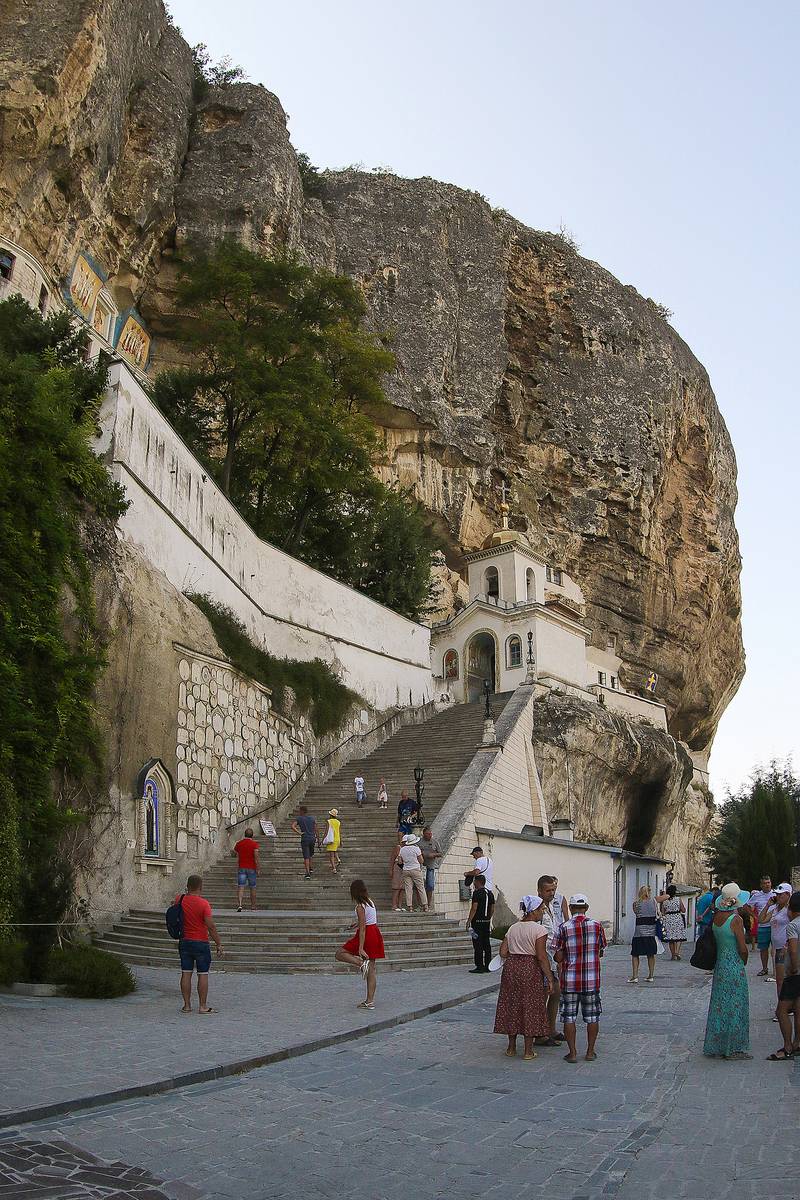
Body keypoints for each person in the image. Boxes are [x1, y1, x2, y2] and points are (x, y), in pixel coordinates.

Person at [493, 896, 555, 1060]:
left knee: (512, 1004)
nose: (543, 912)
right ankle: (528, 1051)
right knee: (531, 1005)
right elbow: (541, 956)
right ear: (534, 910)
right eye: (541, 909)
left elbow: (503, 952)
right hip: (529, 968)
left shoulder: (513, 928)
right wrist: (549, 978)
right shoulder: (539, 930)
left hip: (512, 967)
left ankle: (511, 1047)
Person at [552, 893, 607, 1063]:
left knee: (569, 1017)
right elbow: (600, 950)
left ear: (570, 908)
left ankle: (573, 1053)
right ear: (587, 908)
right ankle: (590, 1052)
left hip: (570, 980)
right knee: (592, 1017)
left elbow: (558, 957)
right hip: (591, 980)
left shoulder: (563, 927)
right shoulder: (597, 926)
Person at [703, 881, 751, 1060]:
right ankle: (733, 1047)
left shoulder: (716, 919)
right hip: (733, 964)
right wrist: (743, 961)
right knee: (736, 1005)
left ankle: (719, 1044)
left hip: (721, 964)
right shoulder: (735, 920)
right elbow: (742, 948)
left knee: (721, 1004)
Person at [176, 874, 224, 1014]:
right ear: (201, 887)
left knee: (186, 973)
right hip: (201, 942)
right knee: (202, 974)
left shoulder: (179, 899)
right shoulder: (204, 904)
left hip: (184, 941)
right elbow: (211, 926)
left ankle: (186, 1005)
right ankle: (203, 1006)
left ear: (188, 886)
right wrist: (219, 943)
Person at [335, 879, 385, 1010]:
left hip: (367, 934)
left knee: (340, 953)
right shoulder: (370, 901)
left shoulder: (359, 907)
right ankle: (370, 1001)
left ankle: (361, 964)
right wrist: (356, 924)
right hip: (374, 932)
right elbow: (368, 919)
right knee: (372, 970)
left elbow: (363, 929)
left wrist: (361, 948)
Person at [530, 874, 568, 1043]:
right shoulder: (536, 908)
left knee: (556, 992)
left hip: (553, 956)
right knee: (544, 994)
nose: (551, 893)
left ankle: (550, 1029)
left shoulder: (552, 906)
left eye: (553, 889)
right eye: (548, 890)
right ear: (539, 891)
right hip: (542, 957)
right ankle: (539, 1033)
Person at [769, 891, 800, 1061]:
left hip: (795, 974)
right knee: (799, 1011)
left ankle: (787, 1046)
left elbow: (793, 949)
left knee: (782, 1010)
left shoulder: (793, 925)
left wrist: (794, 967)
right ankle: (797, 1043)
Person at [762, 883, 793, 1010]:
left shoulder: (790, 910)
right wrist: (768, 905)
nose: (778, 896)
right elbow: (761, 920)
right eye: (777, 894)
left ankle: (783, 1009)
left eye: (781, 894)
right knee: (781, 980)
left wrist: (787, 944)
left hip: (785, 949)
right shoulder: (775, 909)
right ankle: (785, 1007)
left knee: (782, 980)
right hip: (777, 948)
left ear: (788, 895)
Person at [465, 873, 494, 972]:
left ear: (478, 882)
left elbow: (474, 908)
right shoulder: (490, 893)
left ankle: (479, 966)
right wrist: (488, 918)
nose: (473, 883)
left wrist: (469, 921)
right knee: (487, 944)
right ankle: (488, 966)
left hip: (477, 923)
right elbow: (492, 908)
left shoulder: (477, 893)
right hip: (486, 922)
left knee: (477, 945)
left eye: (474, 881)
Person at [629, 885, 658, 983]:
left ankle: (635, 976)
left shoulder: (636, 904)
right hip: (651, 932)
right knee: (650, 955)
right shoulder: (654, 902)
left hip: (639, 933)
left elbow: (636, 913)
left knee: (635, 954)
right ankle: (651, 975)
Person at [748, 875, 775, 976]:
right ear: (761, 885)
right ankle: (765, 968)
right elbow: (746, 906)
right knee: (763, 949)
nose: (767, 885)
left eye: (768, 882)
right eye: (764, 883)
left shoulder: (776, 894)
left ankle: (776, 970)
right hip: (763, 926)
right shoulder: (757, 896)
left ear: (771, 883)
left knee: (776, 949)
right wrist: (754, 916)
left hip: (774, 925)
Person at [397, 833, 428, 913]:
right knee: (421, 888)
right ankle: (425, 906)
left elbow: (400, 862)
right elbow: (421, 861)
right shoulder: (416, 849)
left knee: (408, 889)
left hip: (406, 870)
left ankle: (410, 907)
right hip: (415, 869)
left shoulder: (402, 849)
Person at [231, 827, 260, 912]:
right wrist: (258, 868)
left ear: (245, 834)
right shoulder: (254, 844)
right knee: (253, 887)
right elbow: (256, 857)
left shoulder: (239, 843)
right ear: (252, 835)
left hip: (241, 867)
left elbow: (234, 853)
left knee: (241, 886)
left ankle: (240, 904)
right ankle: (253, 906)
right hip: (252, 868)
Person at [658, 884, 687, 961]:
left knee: (671, 939)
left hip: (668, 919)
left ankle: (673, 955)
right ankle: (677, 952)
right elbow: (683, 910)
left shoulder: (664, 901)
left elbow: (663, 912)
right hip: (677, 918)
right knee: (679, 936)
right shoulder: (678, 899)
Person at [290, 806, 318, 879]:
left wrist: (299, 833)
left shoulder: (299, 818)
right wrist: (318, 839)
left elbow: (292, 826)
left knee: (306, 856)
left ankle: (307, 873)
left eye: (299, 811)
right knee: (311, 854)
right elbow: (316, 829)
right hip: (312, 838)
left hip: (305, 838)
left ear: (302, 811)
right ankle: (311, 868)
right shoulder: (312, 818)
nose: (299, 812)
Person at [419, 826, 443, 909]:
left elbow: (440, 853)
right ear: (423, 834)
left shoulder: (435, 842)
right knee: (420, 886)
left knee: (430, 885)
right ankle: (421, 903)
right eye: (427, 834)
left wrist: (433, 854)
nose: (429, 835)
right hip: (421, 866)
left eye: (430, 834)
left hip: (430, 866)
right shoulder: (419, 842)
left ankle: (428, 904)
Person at [388, 832, 406, 911]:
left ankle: (400, 905)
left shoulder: (406, 848)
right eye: (399, 837)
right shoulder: (397, 847)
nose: (400, 838)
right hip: (397, 868)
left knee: (402, 888)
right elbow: (392, 859)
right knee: (396, 887)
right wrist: (391, 870)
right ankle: (394, 905)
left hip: (405, 868)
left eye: (401, 836)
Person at [322, 808, 341, 873]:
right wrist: (341, 841)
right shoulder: (338, 822)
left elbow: (326, 831)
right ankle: (338, 859)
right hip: (337, 839)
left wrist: (323, 839)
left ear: (330, 815)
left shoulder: (329, 821)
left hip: (331, 839)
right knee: (335, 850)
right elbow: (339, 831)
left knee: (331, 855)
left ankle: (334, 869)